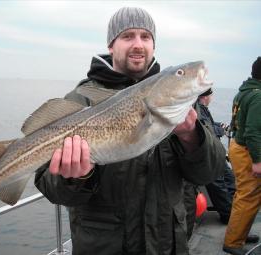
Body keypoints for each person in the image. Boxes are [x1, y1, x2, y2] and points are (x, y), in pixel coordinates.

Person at [35, 7, 226, 255]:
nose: (138, 44)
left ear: (154, 46)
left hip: (167, 246)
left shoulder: (180, 104)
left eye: (145, 37)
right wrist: (75, 178)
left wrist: (192, 137)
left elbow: (210, 172)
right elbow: (51, 188)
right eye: (128, 36)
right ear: (111, 44)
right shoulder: (80, 99)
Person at [223, 57, 261, 255]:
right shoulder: (258, 96)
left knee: (244, 195)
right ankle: (233, 242)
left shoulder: (244, 91)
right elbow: (253, 132)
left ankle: (240, 233)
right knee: (248, 196)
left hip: (237, 146)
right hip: (247, 150)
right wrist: (258, 161)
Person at [197, 88, 236, 224]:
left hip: (216, 154)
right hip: (208, 157)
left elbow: (210, 124)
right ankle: (228, 217)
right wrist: (221, 130)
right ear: (206, 97)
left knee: (231, 180)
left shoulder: (203, 109)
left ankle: (235, 213)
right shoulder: (198, 110)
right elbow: (206, 131)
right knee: (219, 187)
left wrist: (220, 125)